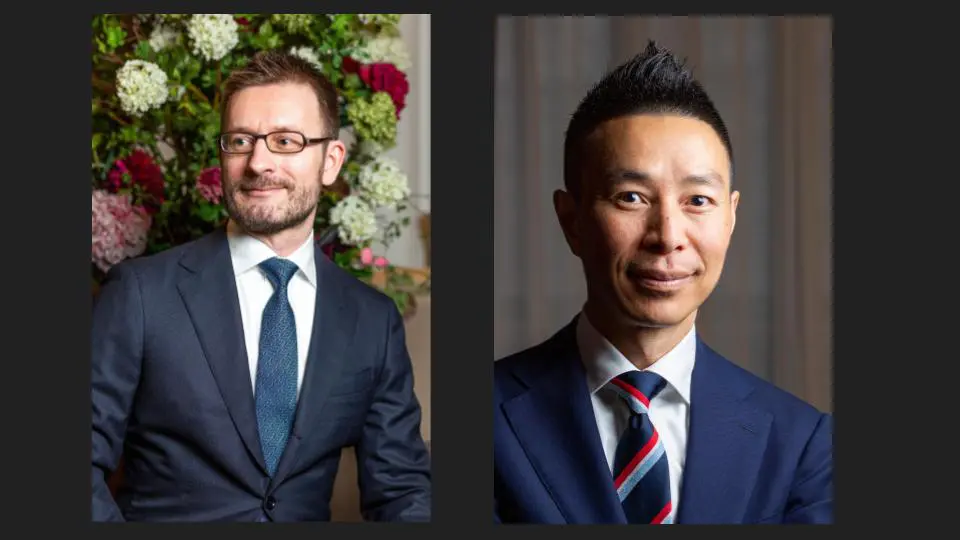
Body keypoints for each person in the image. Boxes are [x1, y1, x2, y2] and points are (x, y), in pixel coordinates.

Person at [493, 41, 832, 525]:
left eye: (698, 200)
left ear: (731, 218)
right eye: (631, 197)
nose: (668, 236)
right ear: (571, 220)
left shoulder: (801, 442)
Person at [92, 50, 431, 522]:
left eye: (286, 141)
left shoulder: (371, 320)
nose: (258, 163)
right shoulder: (141, 294)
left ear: (331, 161)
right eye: (240, 141)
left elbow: (403, 492)